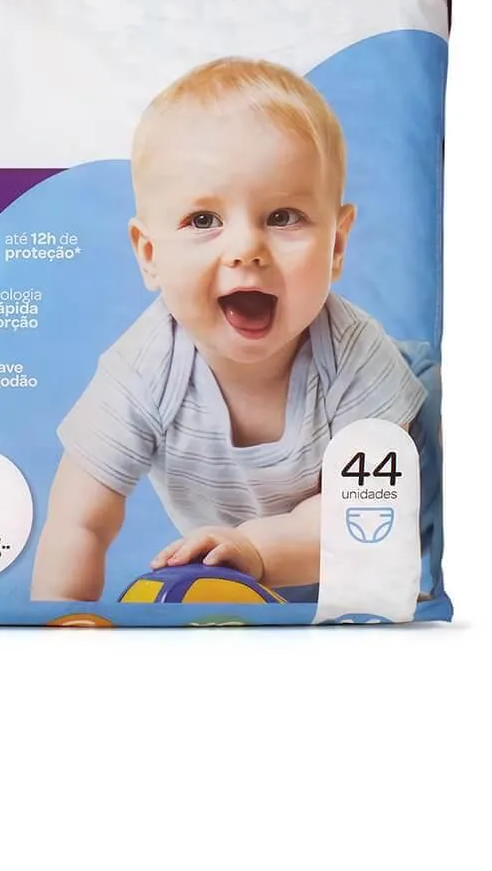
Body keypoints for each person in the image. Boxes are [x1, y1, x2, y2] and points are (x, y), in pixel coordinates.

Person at [30, 57, 425, 602]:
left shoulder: (353, 355)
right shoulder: (143, 370)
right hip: (258, 564)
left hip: (389, 504)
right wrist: (60, 620)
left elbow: (367, 515)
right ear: (150, 254)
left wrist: (256, 548)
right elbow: (79, 522)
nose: (245, 249)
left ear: (336, 245)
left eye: (282, 217)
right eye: (203, 220)